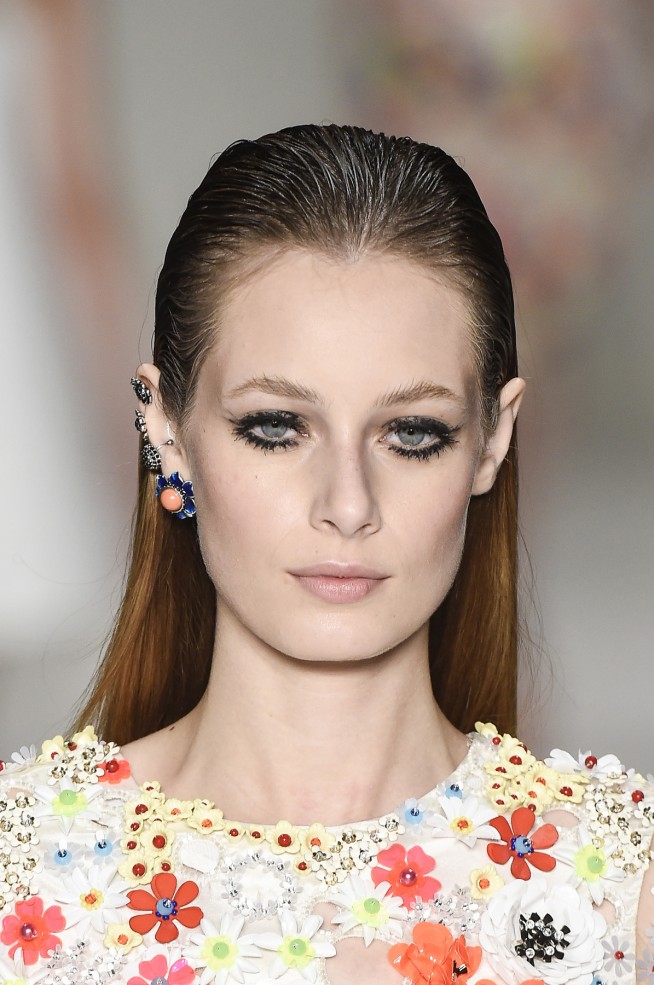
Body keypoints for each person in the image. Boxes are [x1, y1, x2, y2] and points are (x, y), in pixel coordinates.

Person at [0, 124, 651, 985]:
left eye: (411, 433)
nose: (347, 505)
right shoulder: (20, 871)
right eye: (276, 427)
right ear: (166, 430)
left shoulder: (622, 890)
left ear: (492, 441)